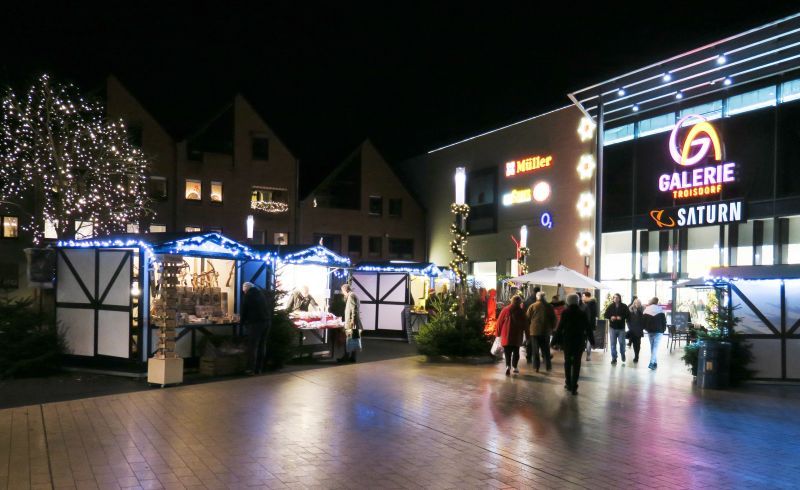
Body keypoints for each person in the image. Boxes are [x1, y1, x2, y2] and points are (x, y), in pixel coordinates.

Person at [552, 293, 593, 395]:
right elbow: (588, 328)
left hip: (568, 341)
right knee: (577, 363)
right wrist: (592, 340)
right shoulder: (582, 313)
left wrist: (553, 341)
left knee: (567, 362)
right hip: (579, 341)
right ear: (577, 301)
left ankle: (568, 383)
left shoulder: (565, 313)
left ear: (568, 301)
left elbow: (560, 328)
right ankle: (574, 386)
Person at [241, 282, 270, 375]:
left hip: (256, 323)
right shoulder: (260, 293)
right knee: (262, 345)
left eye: (244, 291)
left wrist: (242, 321)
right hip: (266, 322)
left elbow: (244, 310)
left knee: (253, 346)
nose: (244, 293)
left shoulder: (248, 295)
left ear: (246, 289)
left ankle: (251, 369)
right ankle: (259, 369)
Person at [496, 295, 527, 376]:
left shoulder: (505, 309)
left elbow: (499, 322)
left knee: (507, 352)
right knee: (516, 352)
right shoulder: (521, 311)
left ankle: (507, 366)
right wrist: (527, 335)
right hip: (517, 335)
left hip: (507, 334)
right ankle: (515, 367)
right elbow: (525, 324)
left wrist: (498, 333)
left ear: (511, 301)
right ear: (520, 302)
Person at [526, 291, 556, 372]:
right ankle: (548, 366)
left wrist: (528, 328)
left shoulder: (532, 306)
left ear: (537, 297)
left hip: (534, 331)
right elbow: (553, 318)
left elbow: (527, 318)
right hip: (546, 331)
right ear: (544, 297)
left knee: (535, 350)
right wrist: (553, 328)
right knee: (546, 349)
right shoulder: (550, 306)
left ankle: (536, 367)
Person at [340, 283, 363, 363]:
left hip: (352, 323)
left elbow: (354, 309)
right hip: (353, 323)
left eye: (342, 291)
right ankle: (352, 357)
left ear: (345, 290)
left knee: (349, 340)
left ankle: (347, 357)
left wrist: (352, 321)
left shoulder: (351, 296)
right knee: (353, 340)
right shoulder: (352, 295)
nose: (342, 293)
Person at [604, 293, 630, 365]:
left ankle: (622, 354)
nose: (616, 299)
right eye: (614, 297)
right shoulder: (610, 306)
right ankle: (614, 358)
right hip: (612, 328)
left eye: (617, 297)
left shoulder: (624, 306)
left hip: (621, 328)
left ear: (620, 298)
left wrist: (621, 317)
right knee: (613, 344)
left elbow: (628, 315)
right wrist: (610, 317)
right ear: (613, 299)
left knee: (622, 343)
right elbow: (605, 315)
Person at [643, 297, 667, 370]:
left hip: (650, 331)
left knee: (652, 347)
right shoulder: (660, 309)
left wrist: (646, 328)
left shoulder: (646, 309)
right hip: (659, 331)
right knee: (655, 347)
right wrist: (663, 330)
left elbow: (643, 321)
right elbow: (664, 321)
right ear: (657, 302)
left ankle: (654, 363)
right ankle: (652, 362)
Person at [523, 286, 540, 363]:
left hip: (528, 324)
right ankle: (535, 356)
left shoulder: (527, 301)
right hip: (537, 324)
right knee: (537, 341)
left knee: (529, 341)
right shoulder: (538, 301)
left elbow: (524, 313)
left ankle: (528, 356)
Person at [581, 291, 598, 361]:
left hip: (586, 325)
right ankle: (588, 356)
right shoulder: (593, 304)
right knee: (589, 340)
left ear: (587, 297)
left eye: (583, 296)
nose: (582, 297)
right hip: (591, 325)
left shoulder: (587, 305)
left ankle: (586, 355)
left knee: (586, 340)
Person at [627, 298, 645, 363]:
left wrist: (642, 327)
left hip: (639, 330)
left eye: (639, 303)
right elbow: (628, 320)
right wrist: (630, 327)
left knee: (637, 344)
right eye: (636, 303)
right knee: (634, 344)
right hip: (632, 330)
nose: (637, 304)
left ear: (640, 304)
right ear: (634, 303)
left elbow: (644, 320)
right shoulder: (630, 310)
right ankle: (636, 356)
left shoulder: (643, 311)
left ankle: (636, 356)